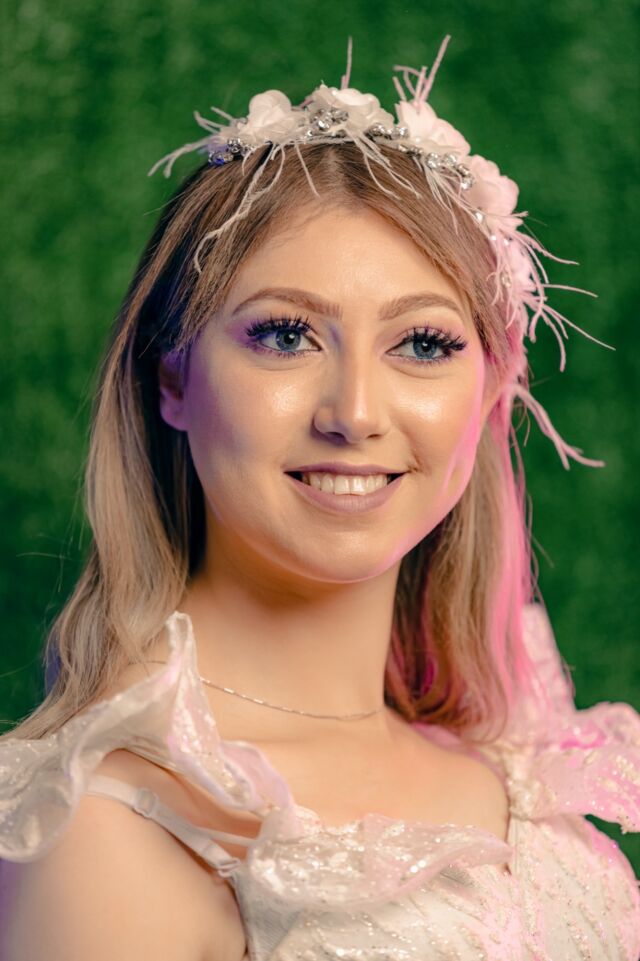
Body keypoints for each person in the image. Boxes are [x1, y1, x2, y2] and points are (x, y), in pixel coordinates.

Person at [0, 34, 638, 961]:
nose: (355, 413)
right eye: (285, 334)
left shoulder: (517, 765)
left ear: (491, 391)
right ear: (172, 378)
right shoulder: (119, 825)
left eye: (423, 343)